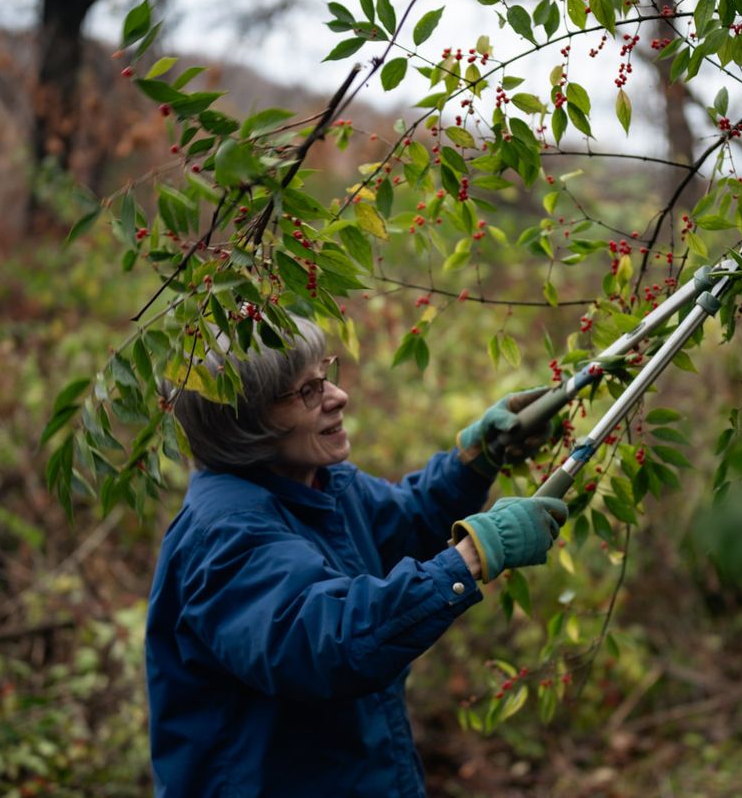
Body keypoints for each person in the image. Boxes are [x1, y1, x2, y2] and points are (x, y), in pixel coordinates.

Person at [145, 316, 567, 797]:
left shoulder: (318, 482)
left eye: (325, 375)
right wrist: (471, 556)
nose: (337, 397)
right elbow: (326, 643)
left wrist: (476, 462)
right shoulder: (223, 535)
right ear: (244, 421)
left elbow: (404, 524)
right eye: (307, 392)